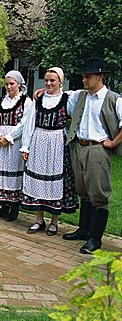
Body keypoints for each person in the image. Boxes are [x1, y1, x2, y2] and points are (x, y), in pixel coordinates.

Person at [62, 58, 122, 254]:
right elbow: (59, 93)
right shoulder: (81, 96)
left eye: (88, 76)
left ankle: (95, 239)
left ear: (100, 76)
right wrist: (41, 91)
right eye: (83, 76)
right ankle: (84, 230)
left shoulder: (113, 99)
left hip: (98, 149)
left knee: (98, 194)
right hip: (79, 147)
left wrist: (113, 143)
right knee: (83, 190)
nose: (84, 79)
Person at [20, 67, 78, 236]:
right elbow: (29, 124)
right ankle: (39, 220)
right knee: (37, 180)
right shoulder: (38, 100)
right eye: (46, 80)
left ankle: (54, 221)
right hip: (39, 141)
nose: (48, 83)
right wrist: (25, 146)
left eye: (52, 80)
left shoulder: (67, 99)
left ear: (60, 81)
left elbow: (84, 95)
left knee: (55, 181)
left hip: (57, 143)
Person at [0, 71, 32, 222]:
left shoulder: (26, 102)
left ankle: (14, 206)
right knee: (1, 172)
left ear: (19, 84)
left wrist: (9, 137)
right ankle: (3, 204)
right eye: (7, 84)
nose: (9, 87)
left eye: (12, 84)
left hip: (15, 142)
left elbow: (25, 124)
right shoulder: (0, 101)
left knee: (13, 171)